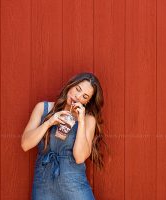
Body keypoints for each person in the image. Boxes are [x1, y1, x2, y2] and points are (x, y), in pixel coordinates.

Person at [21, 72, 106, 200]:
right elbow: (25, 145)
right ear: (71, 85)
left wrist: (81, 121)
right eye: (77, 89)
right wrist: (49, 122)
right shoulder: (42, 108)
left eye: (84, 96)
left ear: (87, 102)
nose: (77, 96)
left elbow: (79, 157)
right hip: (44, 186)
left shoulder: (88, 119)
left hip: (75, 187)